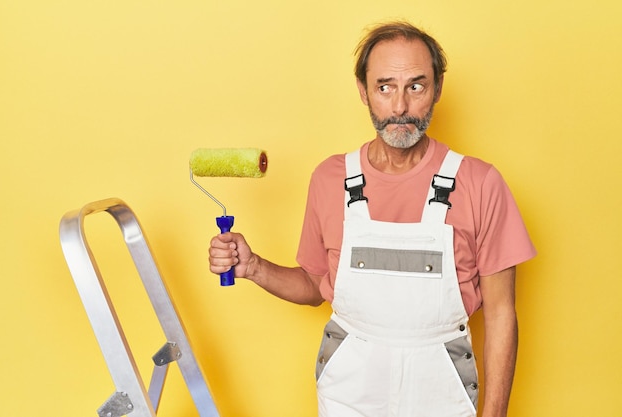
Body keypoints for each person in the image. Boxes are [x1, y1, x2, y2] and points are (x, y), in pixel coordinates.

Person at [208, 20, 536, 417]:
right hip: (348, 393)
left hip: (442, 393)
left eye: (416, 86)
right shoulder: (331, 179)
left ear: (437, 89)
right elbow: (315, 285)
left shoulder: (481, 183)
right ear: (363, 91)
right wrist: (254, 266)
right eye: (385, 87)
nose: (400, 107)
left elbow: (502, 314)